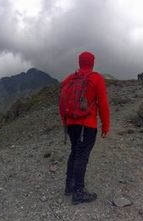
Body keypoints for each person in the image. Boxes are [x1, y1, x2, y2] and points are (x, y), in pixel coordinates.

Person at [59, 51, 110, 205]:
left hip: (71, 123)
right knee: (82, 155)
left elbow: (62, 101)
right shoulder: (96, 78)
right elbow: (103, 104)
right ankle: (79, 191)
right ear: (92, 63)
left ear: (79, 62)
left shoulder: (70, 79)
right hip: (87, 125)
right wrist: (105, 126)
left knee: (74, 152)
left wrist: (65, 121)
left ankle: (69, 186)